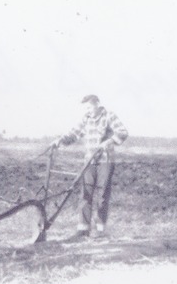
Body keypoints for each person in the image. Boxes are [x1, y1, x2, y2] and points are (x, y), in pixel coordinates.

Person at [52, 94, 128, 239]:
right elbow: (74, 134)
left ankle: (100, 230)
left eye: (89, 107)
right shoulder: (86, 119)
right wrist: (59, 141)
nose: (88, 111)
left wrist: (109, 141)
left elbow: (123, 132)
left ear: (97, 104)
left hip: (105, 160)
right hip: (89, 161)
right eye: (85, 108)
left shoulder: (109, 115)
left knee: (102, 195)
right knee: (85, 194)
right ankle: (83, 230)